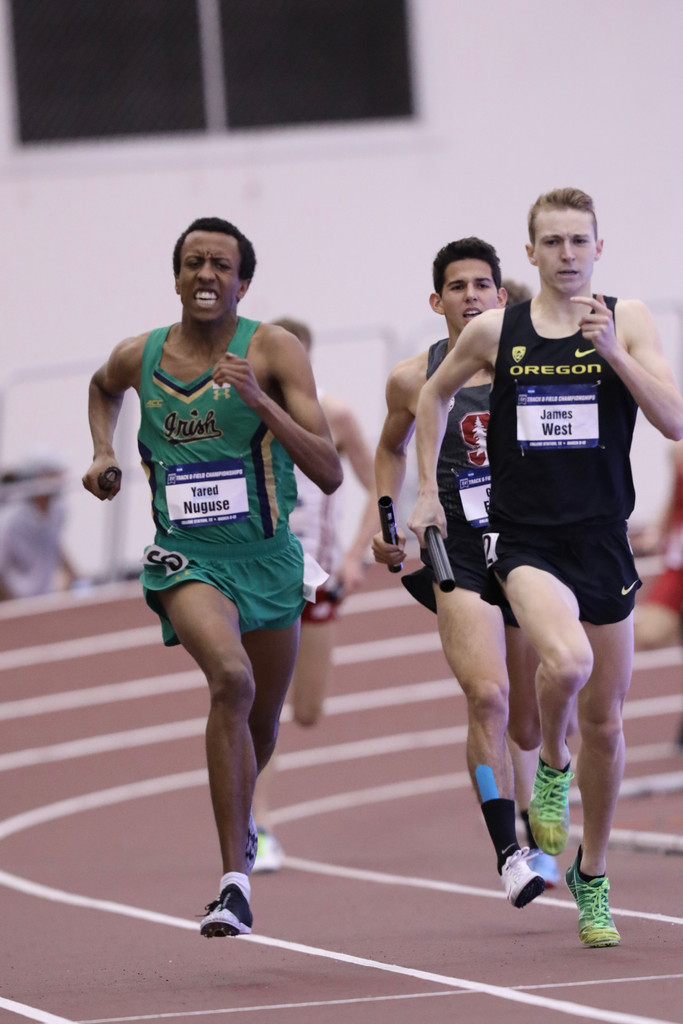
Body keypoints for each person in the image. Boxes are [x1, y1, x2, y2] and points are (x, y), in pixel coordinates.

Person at [408, 188, 683, 947]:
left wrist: (614, 355)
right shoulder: (499, 330)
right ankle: (551, 770)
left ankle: (591, 875)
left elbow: (673, 419)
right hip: (524, 540)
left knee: (610, 719)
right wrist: (426, 495)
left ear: (599, 248)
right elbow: (428, 399)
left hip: (602, 540)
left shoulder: (625, 319)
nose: (566, 254)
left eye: (578, 241)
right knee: (563, 662)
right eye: (551, 242)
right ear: (528, 254)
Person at [82, 217, 343, 938]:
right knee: (231, 679)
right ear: (175, 277)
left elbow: (327, 469)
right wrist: (103, 452)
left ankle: (242, 828)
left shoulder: (272, 349)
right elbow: (102, 388)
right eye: (193, 262)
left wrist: (259, 401)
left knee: (259, 729)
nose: (205, 274)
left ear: (242, 282)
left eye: (220, 265)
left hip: (268, 559)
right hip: (186, 559)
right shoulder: (140, 355)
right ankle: (233, 881)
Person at [373, 237, 553, 909]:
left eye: (483, 285)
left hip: (531, 552)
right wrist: (388, 524)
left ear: (501, 297)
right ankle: (508, 851)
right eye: (457, 286)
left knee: (531, 719)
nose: (471, 296)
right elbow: (388, 450)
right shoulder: (409, 378)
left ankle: (541, 812)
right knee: (487, 697)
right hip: (457, 552)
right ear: (436, 300)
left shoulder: (538, 367)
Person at [252, 316, 378, 871]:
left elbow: (379, 485)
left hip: (321, 575)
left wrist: (356, 556)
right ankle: (259, 827)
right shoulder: (243, 410)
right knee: (261, 704)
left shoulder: (337, 414)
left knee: (306, 711)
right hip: (261, 573)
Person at [632, 439, 683, 748]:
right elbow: (675, 497)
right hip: (677, 565)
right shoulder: (677, 450)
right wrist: (657, 533)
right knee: (650, 634)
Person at [0, 449, 79, 600]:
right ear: (39, 477)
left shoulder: (58, 511)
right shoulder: (10, 520)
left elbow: (53, 544)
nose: (60, 481)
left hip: (47, 597)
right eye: (55, 475)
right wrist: (12, 604)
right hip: (18, 600)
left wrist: (75, 577)